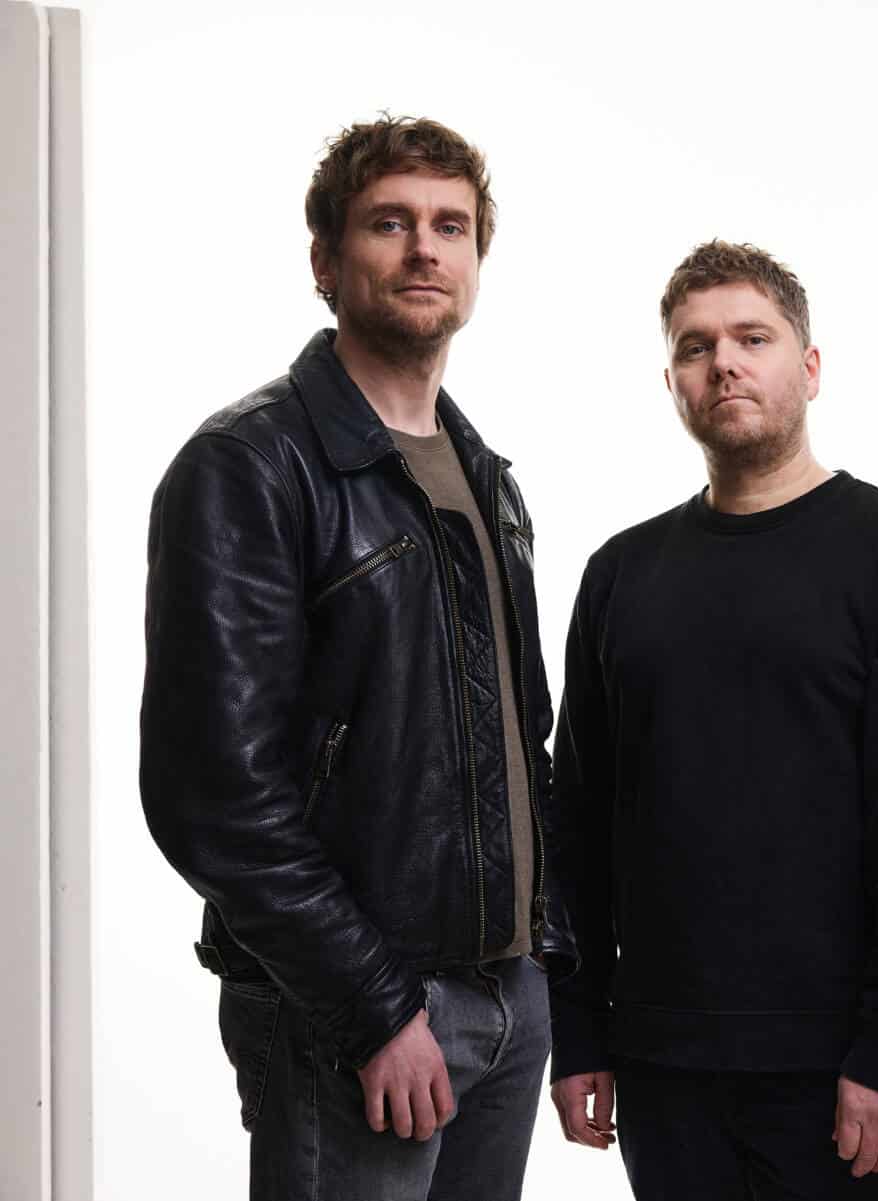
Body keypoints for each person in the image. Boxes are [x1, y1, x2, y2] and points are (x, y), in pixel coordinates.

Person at [139, 115, 567, 1200]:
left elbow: (523, 742)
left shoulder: (487, 477)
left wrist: (544, 968)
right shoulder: (250, 465)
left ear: (476, 263)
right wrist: (373, 1006)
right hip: (358, 1014)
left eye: (451, 226)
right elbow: (213, 795)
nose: (425, 248)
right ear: (325, 262)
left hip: (507, 1002)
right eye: (389, 223)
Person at [546, 240, 878, 1200]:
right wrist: (578, 1028)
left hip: (835, 1064)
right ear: (671, 383)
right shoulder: (620, 573)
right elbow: (579, 818)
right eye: (695, 347)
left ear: (810, 367)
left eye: (752, 338)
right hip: (660, 1063)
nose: (724, 363)